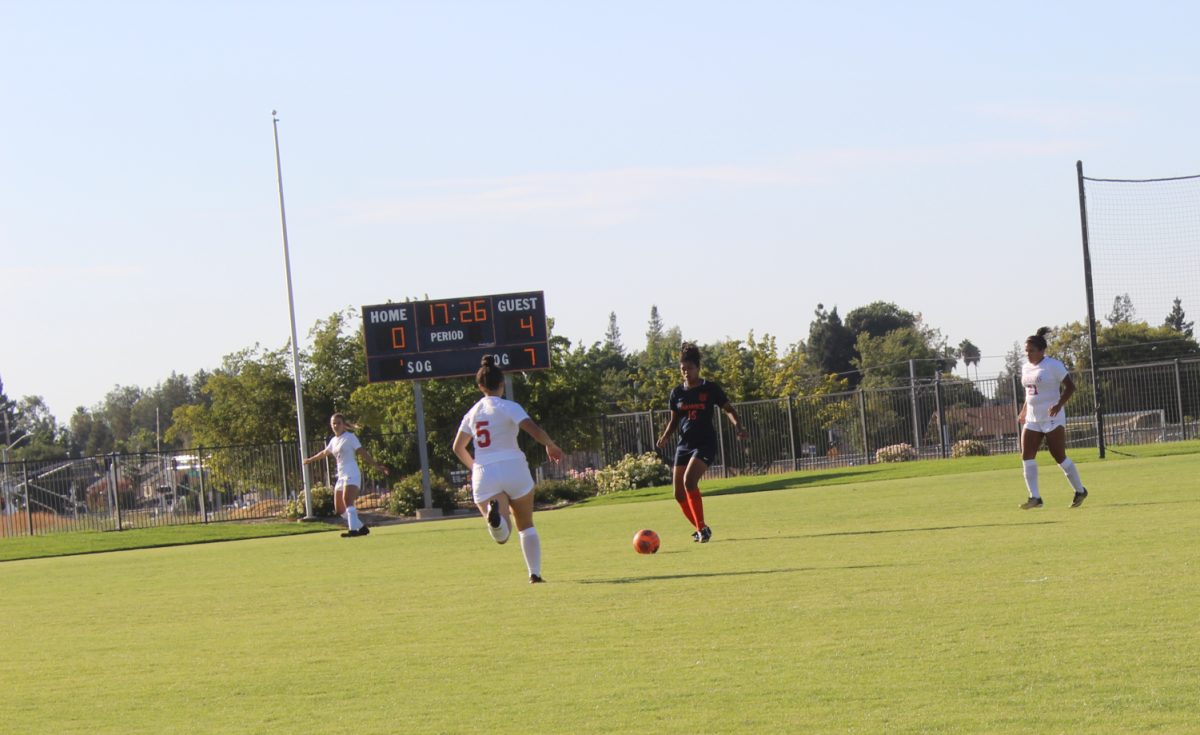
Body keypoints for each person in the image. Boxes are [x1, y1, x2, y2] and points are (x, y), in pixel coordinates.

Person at [453, 355, 564, 583]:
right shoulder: (509, 406)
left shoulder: (472, 413)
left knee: (502, 537)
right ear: (502, 383)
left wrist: (475, 468)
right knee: (526, 526)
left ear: (481, 386)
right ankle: (534, 574)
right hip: (514, 468)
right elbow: (533, 430)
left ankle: (496, 520)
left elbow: (458, 447)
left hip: (485, 472)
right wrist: (550, 446)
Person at [656, 342, 748, 542]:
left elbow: (729, 410)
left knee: (689, 481)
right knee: (678, 493)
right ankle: (702, 528)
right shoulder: (676, 393)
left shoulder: (711, 388)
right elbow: (674, 421)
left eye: (690, 368)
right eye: (683, 369)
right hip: (684, 444)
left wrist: (738, 427)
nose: (687, 372)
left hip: (704, 443)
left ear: (698, 368)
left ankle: (702, 530)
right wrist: (665, 437)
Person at [1017, 327, 1088, 509]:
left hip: (1052, 417)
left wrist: (1058, 405)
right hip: (1033, 417)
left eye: (1032, 350)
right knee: (1027, 456)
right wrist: (1024, 410)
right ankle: (1035, 498)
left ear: (1042, 350)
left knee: (1059, 457)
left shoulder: (1053, 365)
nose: (1028, 354)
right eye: (1026, 351)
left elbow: (1070, 387)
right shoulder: (1025, 368)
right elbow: (1029, 392)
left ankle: (1080, 490)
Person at [303, 414, 389, 537]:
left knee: (347, 501)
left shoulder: (350, 437)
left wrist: (377, 466)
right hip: (341, 475)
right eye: (334, 423)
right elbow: (324, 452)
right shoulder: (333, 440)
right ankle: (362, 528)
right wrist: (310, 460)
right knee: (339, 508)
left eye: (338, 423)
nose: (336, 425)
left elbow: (362, 452)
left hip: (351, 473)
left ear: (343, 424)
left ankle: (353, 531)